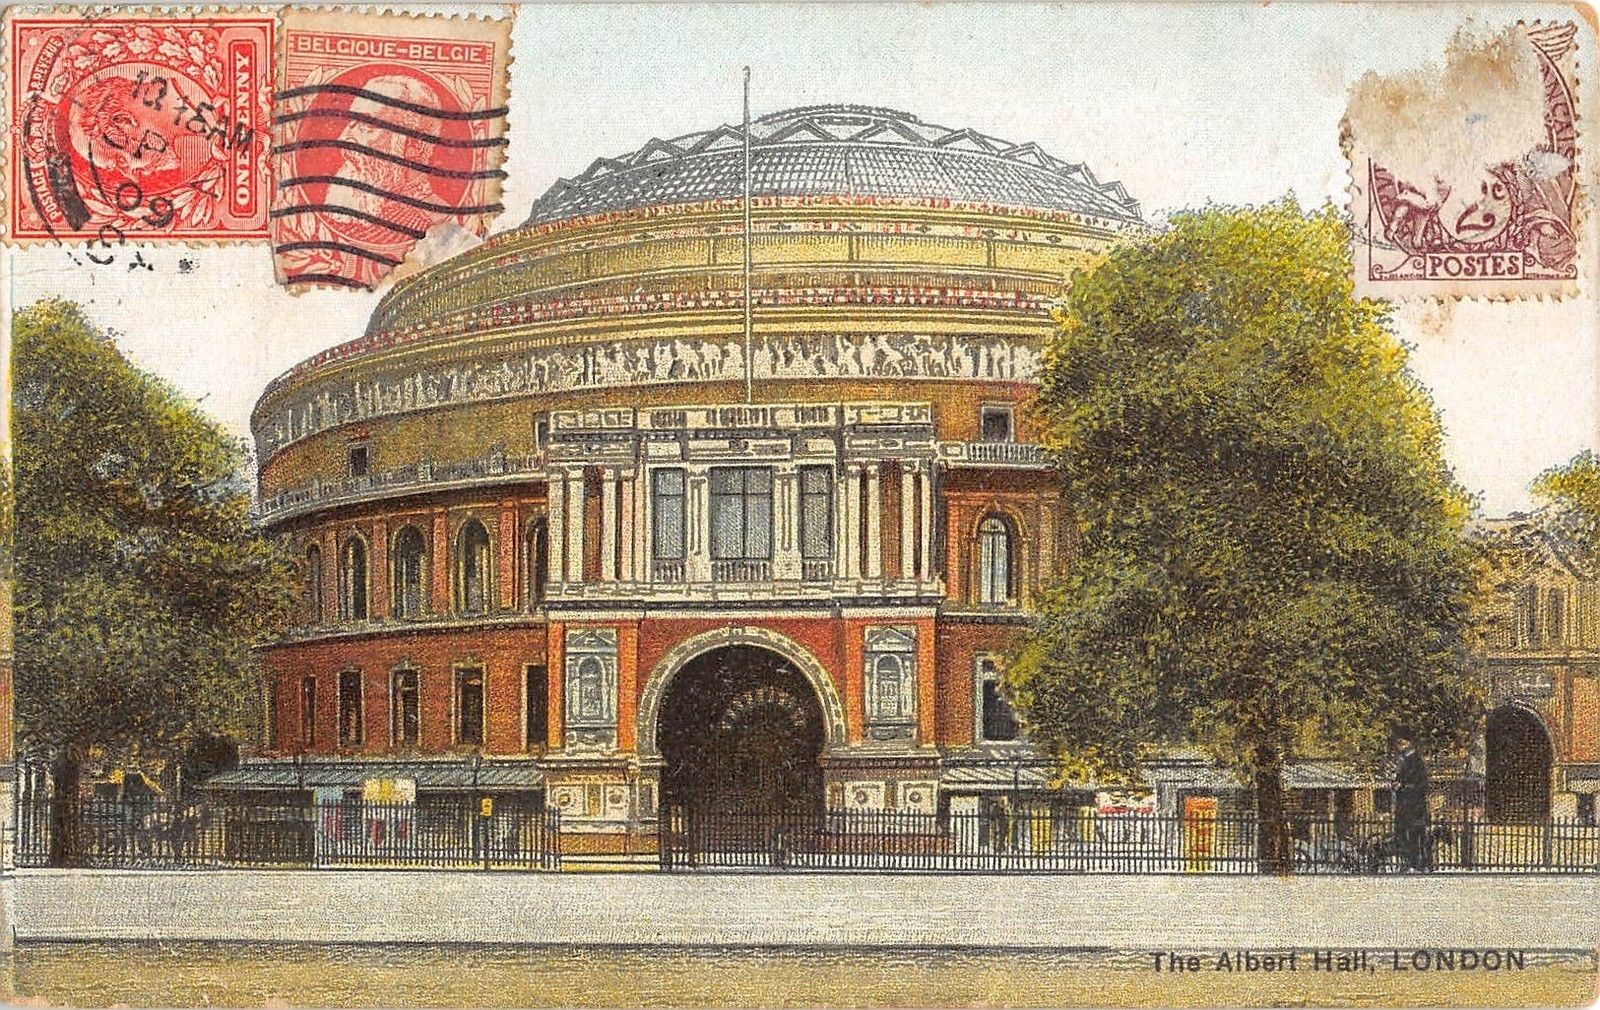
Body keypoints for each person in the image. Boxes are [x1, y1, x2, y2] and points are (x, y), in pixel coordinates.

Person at [1392, 732, 1431, 871]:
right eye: (1398, 744)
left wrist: (1402, 786)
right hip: (1404, 807)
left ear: (1410, 744)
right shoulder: (1403, 761)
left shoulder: (1417, 762)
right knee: (1403, 836)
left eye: (1402, 744)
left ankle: (1420, 864)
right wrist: (1396, 784)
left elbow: (1422, 785)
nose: (1399, 747)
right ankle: (1410, 863)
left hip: (1415, 807)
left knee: (1416, 837)